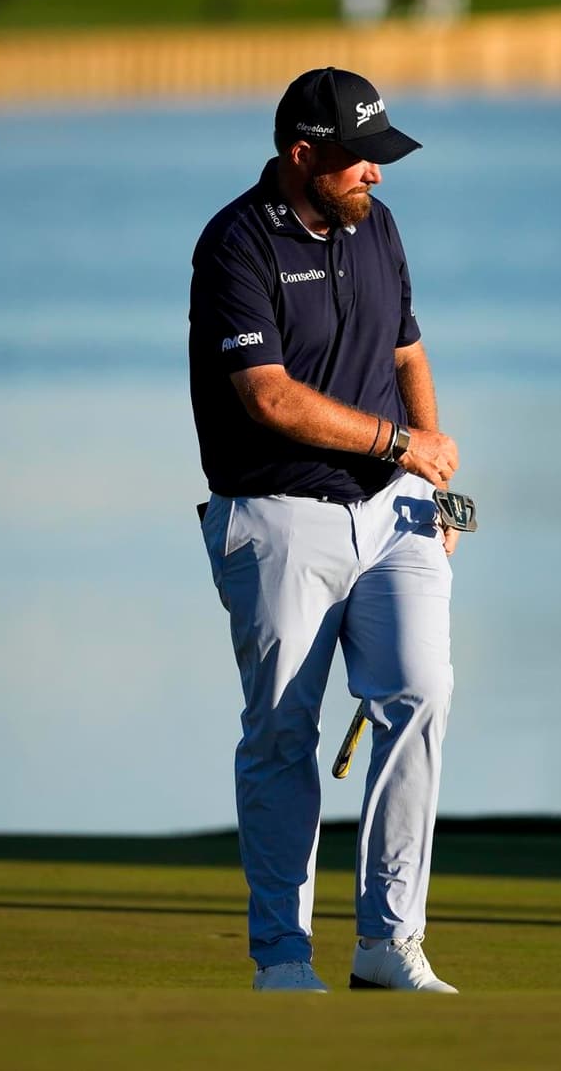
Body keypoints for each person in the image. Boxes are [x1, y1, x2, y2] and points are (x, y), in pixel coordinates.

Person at [189, 67, 460, 992]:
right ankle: (282, 957)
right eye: (359, 161)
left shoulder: (373, 226)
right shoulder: (234, 245)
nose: (377, 176)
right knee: (281, 734)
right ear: (303, 158)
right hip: (277, 521)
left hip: (394, 519)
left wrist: (429, 467)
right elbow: (266, 397)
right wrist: (399, 440)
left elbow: (405, 347)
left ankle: (389, 942)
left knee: (420, 694)